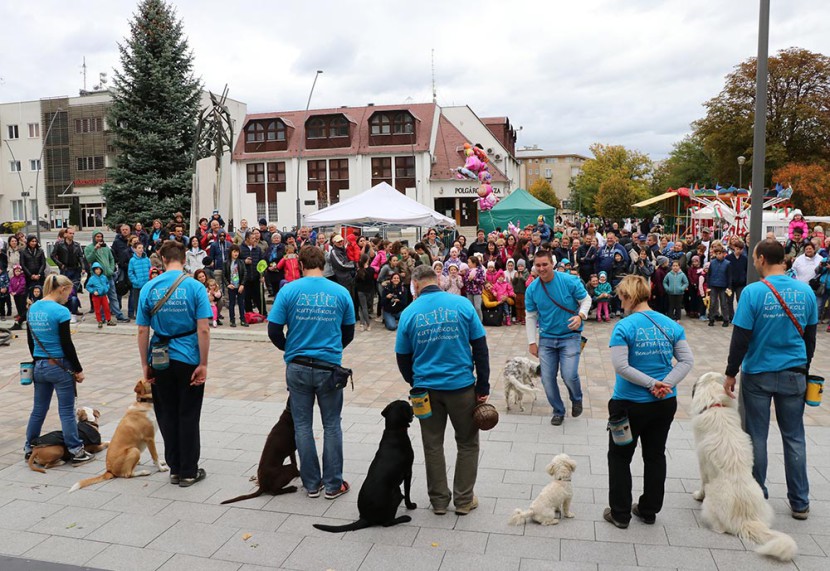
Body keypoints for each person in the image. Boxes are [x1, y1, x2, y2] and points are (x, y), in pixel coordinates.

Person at [725, 239, 817, 520]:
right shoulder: (806, 292)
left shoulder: (753, 293)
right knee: (794, 438)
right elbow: (810, 339)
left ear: (763, 258)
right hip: (794, 374)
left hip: (758, 373)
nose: (754, 262)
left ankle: (756, 495)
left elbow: (740, 338)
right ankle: (800, 501)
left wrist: (731, 372)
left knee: (756, 436)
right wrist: (803, 367)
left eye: (755, 258)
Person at [395, 265, 490, 515]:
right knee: (468, 443)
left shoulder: (409, 312)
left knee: (432, 444)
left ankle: (438, 501)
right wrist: (483, 385)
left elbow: (402, 357)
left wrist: (414, 382)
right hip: (461, 388)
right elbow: (480, 348)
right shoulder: (461, 305)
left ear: (415, 285)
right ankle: (463, 500)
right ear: (437, 279)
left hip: (425, 391)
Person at [603, 275, 693, 528]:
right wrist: (666, 384)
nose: (620, 303)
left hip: (629, 404)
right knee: (655, 455)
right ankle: (649, 509)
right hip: (664, 404)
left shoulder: (624, 327)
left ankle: (620, 513)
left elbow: (621, 366)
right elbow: (687, 361)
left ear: (629, 296)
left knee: (620, 457)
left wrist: (653, 384)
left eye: (621, 298)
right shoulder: (670, 325)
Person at [267, 245, 355, 500]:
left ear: (302, 265)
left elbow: (273, 330)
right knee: (332, 425)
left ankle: (312, 484)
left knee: (302, 426)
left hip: (298, 367)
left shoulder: (289, 291)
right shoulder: (340, 292)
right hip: (329, 367)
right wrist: (333, 349)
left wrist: (291, 349)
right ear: (325, 265)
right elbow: (348, 332)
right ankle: (333, 485)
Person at [136, 240, 212, 487]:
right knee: (188, 414)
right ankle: (189, 470)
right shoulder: (195, 287)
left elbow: (141, 330)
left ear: (162, 258)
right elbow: (203, 330)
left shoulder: (149, 287)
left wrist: (145, 364)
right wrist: (203, 363)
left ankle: (175, 468)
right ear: (184, 258)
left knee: (166, 413)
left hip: (159, 356)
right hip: (188, 357)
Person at [24, 274, 93, 464]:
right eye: (69, 292)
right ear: (61, 289)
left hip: (39, 365)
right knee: (66, 410)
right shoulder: (61, 311)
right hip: (60, 366)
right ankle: (75, 450)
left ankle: (29, 446)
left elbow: (31, 341)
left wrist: (37, 360)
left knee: (38, 409)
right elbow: (66, 344)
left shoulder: (33, 308)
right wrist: (78, 369)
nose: (69, 296)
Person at [525, 250, 591, 425]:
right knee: (547, 378)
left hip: (570, 336)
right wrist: (532, 342)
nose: (541, 268)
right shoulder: (532, 289)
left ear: (552, 264)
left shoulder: (569, 281)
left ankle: (576, 398)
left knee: (569, 375)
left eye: (544, 264)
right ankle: (558, 410)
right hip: (546, 338)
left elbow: (586, 300)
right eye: (538, 265)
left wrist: (581, 316)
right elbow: (530, 316)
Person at [85, 231, 128, 323]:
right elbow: (89, 259)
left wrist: (111, 269)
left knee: (113, 296)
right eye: (97, 236)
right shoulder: (89, 248)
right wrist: (95, 249)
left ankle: (119, 315)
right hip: (97, 278)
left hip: (108, 276)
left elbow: (111, 258)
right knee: (101, 297)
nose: (99, 238)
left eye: (101, 236)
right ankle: (102, 317)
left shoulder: (106, 247)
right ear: (93, 237)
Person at [50, 227, 85, 309]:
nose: (72, 235)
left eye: (73, 233)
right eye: (70, 233)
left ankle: (74, 308)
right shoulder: (59, 244)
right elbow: (52, 256)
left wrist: (82, 267)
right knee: (64, 290)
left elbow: (80, 257)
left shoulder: (77, 245)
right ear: (65, 234)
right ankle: (65, 308)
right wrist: (60, 264)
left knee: (74, 289)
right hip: (65, 269)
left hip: (75, 269)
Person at [707, 247, 732, 327]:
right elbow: (709, 274)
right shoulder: (712, 262)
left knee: (724, 304)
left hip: (723, 286)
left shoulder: (727, 263)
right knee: (712, 303)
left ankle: (726, 319)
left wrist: (729, 286)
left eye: (720, 253)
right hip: (713, 285)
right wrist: (708, 285)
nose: (718, 255)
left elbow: (729, 276)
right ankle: (711, 318)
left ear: (724, 254)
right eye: (717, 254)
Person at [224, 244, 248, 328]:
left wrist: (242, 284)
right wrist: (228, 284)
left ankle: (242, 319)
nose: (236, 253)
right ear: (231, 252)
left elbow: (245, 273)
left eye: (237, 252)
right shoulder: (226, 262)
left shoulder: (241, 262)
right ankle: (232, 320)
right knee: (232, 303)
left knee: (241, 303)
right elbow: (224, 275)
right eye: (234, 252)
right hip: (231, 286)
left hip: (239, 285)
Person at [127, 243, 151, 320]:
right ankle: (139, 316)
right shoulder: (132, 260)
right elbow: (130, 272)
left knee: (146, 300)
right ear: (135, 249)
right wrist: (135, 281)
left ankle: (147, 315)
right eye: (139, 248)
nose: (141, 249)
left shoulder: (147, 259)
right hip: (137, 285)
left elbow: (150, 269)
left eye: (142, 248)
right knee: (137, 301)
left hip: (146, 283)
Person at [87, 262, 113, 328]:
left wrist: (106, 288)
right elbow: (88, 286)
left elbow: (107, 283)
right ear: (94, 270)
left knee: (106, 307)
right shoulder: (92, 279)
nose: (98, 271)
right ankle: (99, 321)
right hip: (96, 296)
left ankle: (108, 320)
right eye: (96, 269)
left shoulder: (104, 277)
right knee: (97, 309)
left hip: (103, 295)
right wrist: (93, 291)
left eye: (99, 269)